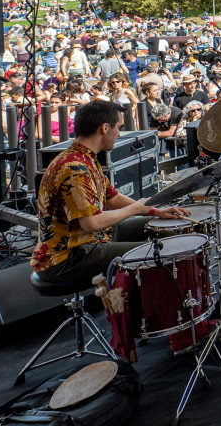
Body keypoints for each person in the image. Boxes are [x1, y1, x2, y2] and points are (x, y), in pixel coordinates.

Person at [30, 100, 189, 286]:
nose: (119, 133)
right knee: (159, 251)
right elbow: (91, 223)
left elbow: (112, 199)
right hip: (65, 258)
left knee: (162, 225)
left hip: (87, 241)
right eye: (118, 127)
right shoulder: (74, 168)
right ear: (105, 128)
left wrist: (154, 211)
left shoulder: (84, 157)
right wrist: (135, 209)